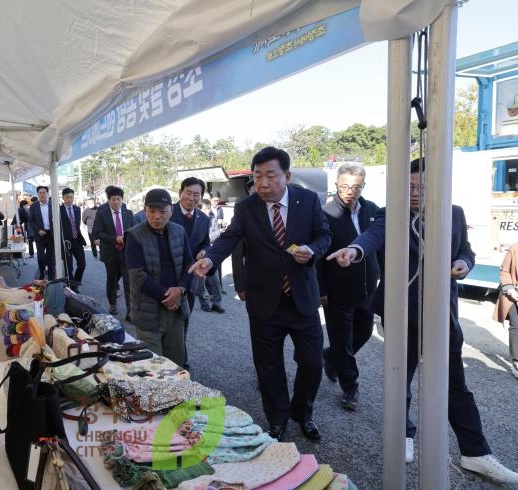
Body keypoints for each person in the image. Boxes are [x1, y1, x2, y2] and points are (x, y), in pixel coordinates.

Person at [327, 159, 518, 483]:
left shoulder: (454, 212)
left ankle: (476, 453)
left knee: (456, 385)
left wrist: (462, 262)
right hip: (403, 315)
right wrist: (354, 251)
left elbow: (467, 251)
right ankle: (403, 436)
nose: (414, 193)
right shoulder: (391, 214)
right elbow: (371, 238)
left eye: (421, 187)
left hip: (443, 316)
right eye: (410, 187)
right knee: (401, 379)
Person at [189, 146, 332, 442]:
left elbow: (324, 235)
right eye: (258, 176)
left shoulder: (308, 201)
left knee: (312, 362)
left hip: (301, 299)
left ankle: (302, 413)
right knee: (268, 367)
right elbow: (229, 238)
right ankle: (277, 419)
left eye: (270, 175)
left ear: (287, 176)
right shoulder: (247, 207)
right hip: (265, 302)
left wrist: (312, 250)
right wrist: (211, 258)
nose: (263, 183)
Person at [318, 163, 380, 411]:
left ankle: (331, 356)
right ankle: (350, 386)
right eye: (344, 186)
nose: (350, 191)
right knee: (342, 340)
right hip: (337, 291)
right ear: (336, 185)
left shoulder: (373, 211)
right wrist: (321, 290)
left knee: (364, 332)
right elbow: (318, 257)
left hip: (367, 288)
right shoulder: (324, 214)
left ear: (363, 186)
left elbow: (380, 243)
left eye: (355, 186)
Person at [126, 188, 193, 366]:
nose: (157, 216)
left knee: (175, 361)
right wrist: (168, 296)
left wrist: (180, 289)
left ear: (171, 210)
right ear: (144, 209)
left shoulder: (179, 231)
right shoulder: (134, 235)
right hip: (148, 309)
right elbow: (137, 276)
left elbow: (189, 264)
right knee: (153, 365)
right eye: (152, 210)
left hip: (176, 308)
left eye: (162, 211)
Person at [170, 177, 211, 368]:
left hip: (191, 278)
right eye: (188, 192)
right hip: (168, 277)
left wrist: (204, 251)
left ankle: (180, 358)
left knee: (184, 318)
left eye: (197, 194)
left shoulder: (203, 218)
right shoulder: (166, 212)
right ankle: (163, 359)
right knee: (166, 321)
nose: (192, 198)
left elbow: (205, 242)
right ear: (180, 193)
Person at [93, 186, 134, 317]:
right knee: (111, 280)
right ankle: (113, 305)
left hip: (126, 253)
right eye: (113, 199)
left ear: (122, 199)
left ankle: (130, 310)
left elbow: (133, 231)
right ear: (109, 200)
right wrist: (114, 239)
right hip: (110, 253)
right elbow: (98, 232)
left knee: (128, 282)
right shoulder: (102, 214)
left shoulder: (128, 213)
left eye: (119, 199)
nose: (116, 202)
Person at [493, 243, 518, 379]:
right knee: (516, 326)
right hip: (514, 295)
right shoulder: (515, 248)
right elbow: (505, 271)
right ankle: (516, 362)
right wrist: (510, 289)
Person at [196, 199, 224, 314]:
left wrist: (218, 232)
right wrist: (220, 232)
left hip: (211, 254)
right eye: (205, 210)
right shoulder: (196, 220)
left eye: (208, 210)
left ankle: (217, 303)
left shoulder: (212, 219)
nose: (207, 212)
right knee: (200, 282)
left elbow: (213, 235)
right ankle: (204, 303)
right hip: (198, 255)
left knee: (215, 280)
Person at [231, 178, 255, 300]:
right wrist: (240, 286)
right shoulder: (241, 216)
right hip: (255, 281)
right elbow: (237, 255)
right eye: (254, 193)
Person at [59, 188, 87, 288]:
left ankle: (75, 283)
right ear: (63, 198)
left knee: (82, 265)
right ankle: (71, 288)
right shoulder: (58, 210)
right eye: (67, 197)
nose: (69, 199)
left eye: (71, 197)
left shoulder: (77, 209)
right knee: (68, 267)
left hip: (77, 240)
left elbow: (77, 225)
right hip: (66, 242)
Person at [28, 185, 56, 280]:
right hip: (40, 235)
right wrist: (38, 230)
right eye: (40, 193)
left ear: (47, 194)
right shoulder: (33, 206)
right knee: (40, 257)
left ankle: (52, 278)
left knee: (51, 258)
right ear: (38, 194)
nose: (42, 195)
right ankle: (42, 274)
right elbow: (31, 220)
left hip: (51, 234)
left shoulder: (53, 205)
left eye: (44, 192)